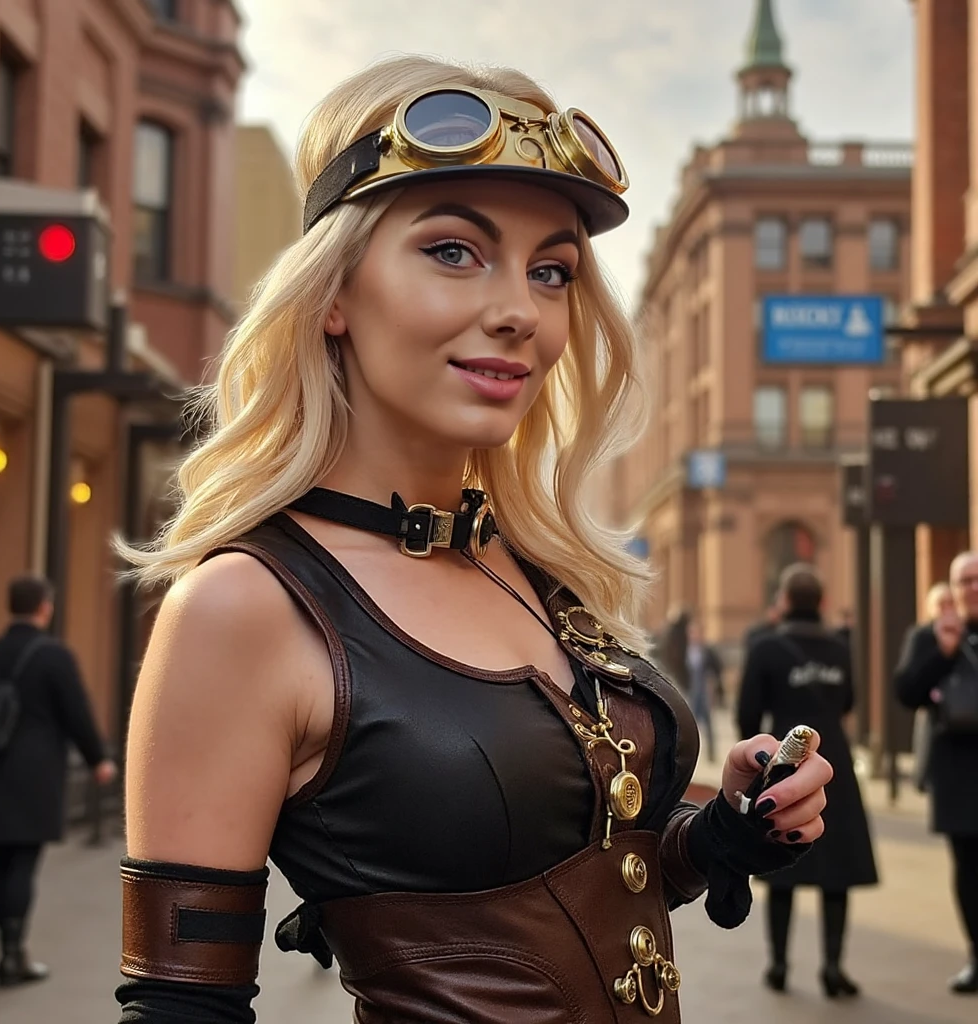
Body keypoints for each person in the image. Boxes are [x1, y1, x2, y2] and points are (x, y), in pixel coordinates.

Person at [113, 55, 834, 1024]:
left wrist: (717, 838)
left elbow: (566, 877)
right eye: (454, 250)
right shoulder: (244, 606)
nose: (521, 313)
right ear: (334, 291)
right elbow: (176, 1008)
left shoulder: (532, 567)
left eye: (551, 271)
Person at [0, 575, 116, 986]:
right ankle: (13, 954)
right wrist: (98, 759)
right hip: (34, 778)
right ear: (44, 607)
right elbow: (76, 713)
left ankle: (6, 948)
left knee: (1, 864)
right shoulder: (53, 657)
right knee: (22, 865)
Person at [737, 563, 877, 999]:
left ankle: (778, 964)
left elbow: (747, 716)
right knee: (837, 869)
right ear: (822, 602)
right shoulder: (840, 648)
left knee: (784, 863)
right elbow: (849, 699)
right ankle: (834, 968)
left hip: (785, 764)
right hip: (834, 763)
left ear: (783, 601)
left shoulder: (765, 649)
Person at [895, 552, 978, 994]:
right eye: (964, 581)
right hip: (957, 772)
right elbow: (906, 691)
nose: (972, 588)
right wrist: (944, 652)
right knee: (968, 867)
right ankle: (976, 955)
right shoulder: (930, 636)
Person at [908, 582, 954, 793]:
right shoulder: (923, 636)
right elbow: (908, 685)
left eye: (950, 602)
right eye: (940, 603)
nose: (946, 608)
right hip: (935, 714)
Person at [685, 618, 723, 762]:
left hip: (704, 693)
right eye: (691, 633)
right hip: (690, 693)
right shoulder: (685, 651)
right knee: (689, 725)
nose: (694, 636)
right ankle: (688, 755)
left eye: (696, 633)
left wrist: (714, 687)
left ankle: (712, 754)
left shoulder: (707, 651)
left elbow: (717, 669)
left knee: (709, 726)